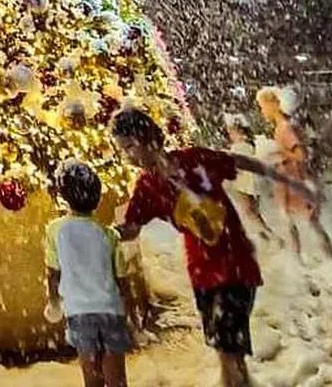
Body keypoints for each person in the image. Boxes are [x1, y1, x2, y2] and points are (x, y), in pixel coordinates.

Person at [111, 107, 315, 387]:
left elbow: (238, 161)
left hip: (235, 265)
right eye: (123, 150)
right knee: (228, 353)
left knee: (229, 352)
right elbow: (132, 229)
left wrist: (284, 178)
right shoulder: (147, 186)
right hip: (202, 273)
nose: (128, 156)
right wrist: (109, 233)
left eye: (131, 146)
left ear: (149, 138)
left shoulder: (195, 160)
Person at [44, 161, 131, 387]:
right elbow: (122, 280)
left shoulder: (55, 230)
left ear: (62, 197)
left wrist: (54, 303)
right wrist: (130, 315)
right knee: (116, 379)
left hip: (79, 313)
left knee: (91, 378)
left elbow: (52, 272)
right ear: (98, 197)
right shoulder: (109, 235)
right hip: (110, 311)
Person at [255, 86, 332, 260]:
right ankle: (312, 260)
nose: (262, 111)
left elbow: (301, 155)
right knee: (303, 224)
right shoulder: (284, 127)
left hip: (295, 182)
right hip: (291, 182)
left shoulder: (285, 128)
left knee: (306, 223)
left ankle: (315, 261)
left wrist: (276, 152)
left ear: (273, 104)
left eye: (262, 106)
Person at [222, 115, 272, 240]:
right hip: (245, 182)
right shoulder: (244, 145)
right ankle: (267, 237)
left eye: (231, 130)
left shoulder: (243, 146)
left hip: (245, 182)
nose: (230, 134)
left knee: (250, 212)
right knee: (252, 213)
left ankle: (270, 237)